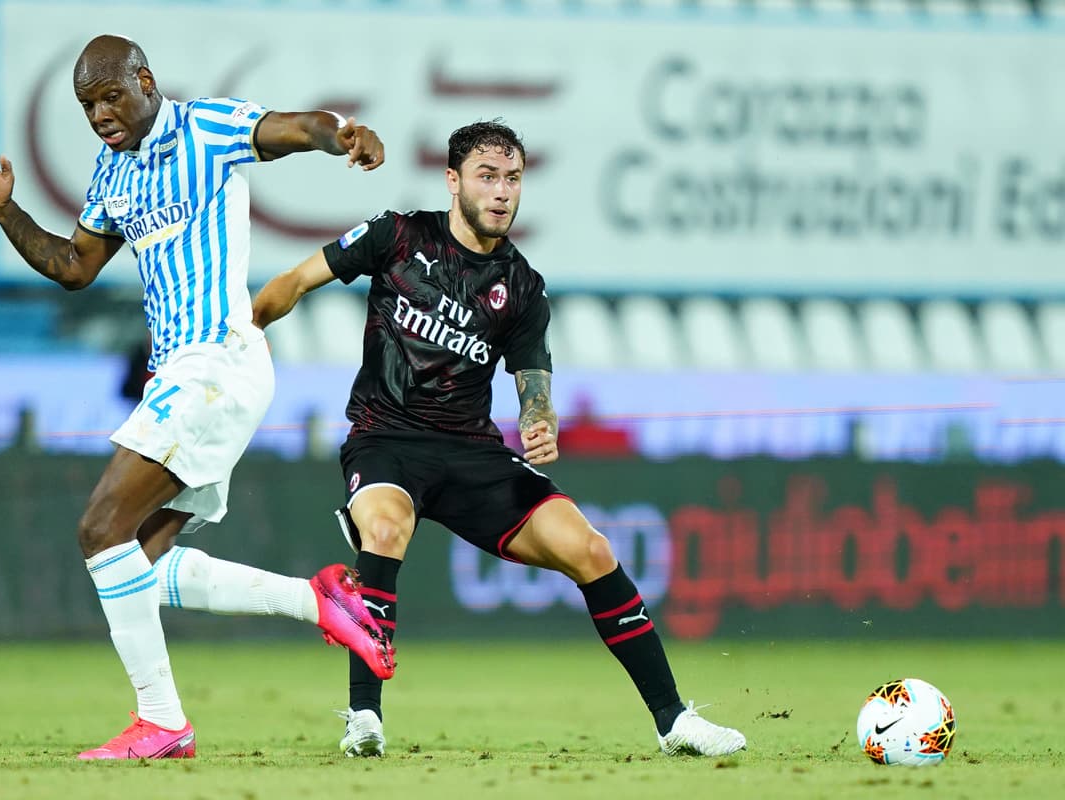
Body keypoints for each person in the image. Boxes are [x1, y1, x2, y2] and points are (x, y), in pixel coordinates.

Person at [0, 34, 394, 760]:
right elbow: (73, 267)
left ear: (145, 80)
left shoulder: (205, 128)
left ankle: (162, 721)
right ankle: (320, 601)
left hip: (216, 360)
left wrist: (340, 132)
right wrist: (7, 213)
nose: (100, 115)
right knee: (140, 565)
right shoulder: (113, 173)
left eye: (110, 96)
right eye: (87, 106)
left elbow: (289, 128)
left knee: (99, 529)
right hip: (186, 374)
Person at [252, 120, 746, 759]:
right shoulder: (395, 235)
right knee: (383, 530)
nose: (503, 192)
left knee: (590, 548)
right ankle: (363, 717)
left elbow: (533, 378)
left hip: (473, 452)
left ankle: (674, 721)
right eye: (487, 176)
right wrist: (238, 334)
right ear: (453, 180)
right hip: (386, 438)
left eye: (513, 179)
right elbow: (290, 284)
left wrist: (540, 420)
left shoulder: (521, 285)